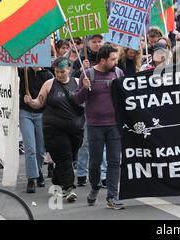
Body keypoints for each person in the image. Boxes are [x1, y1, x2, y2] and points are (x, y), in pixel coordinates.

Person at [24, 58, 84, 203]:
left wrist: (87, 89)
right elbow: (39, 103)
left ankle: (57, 179)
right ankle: (68, 188)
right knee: (65, 157)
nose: (59, 74)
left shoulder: (77, 82)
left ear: (69, 69)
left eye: (62, 72)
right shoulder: (49, 84)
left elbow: (85, 101)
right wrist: (31, 102)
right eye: (56, 71)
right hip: (54, 129)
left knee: (70, 156)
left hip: (76, 129)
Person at [74, 45, 125, 210]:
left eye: (116, 58)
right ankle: (95, 187)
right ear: (103, 60)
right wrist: (84, 88)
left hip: (114, 125)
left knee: (114, 161)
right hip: (95, 126)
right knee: (95, 162)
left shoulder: (118, 73)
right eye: (113, 59)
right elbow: (77, 100)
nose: (116, 61)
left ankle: (112, 196)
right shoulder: (88, 74)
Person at [19, 67, 53, 193]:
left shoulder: (47, 74)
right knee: (30, 148)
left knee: (40, 150)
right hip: (25, 112)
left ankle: (38, 171)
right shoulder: (23, 71)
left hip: (42, 114)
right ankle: (31, 178)